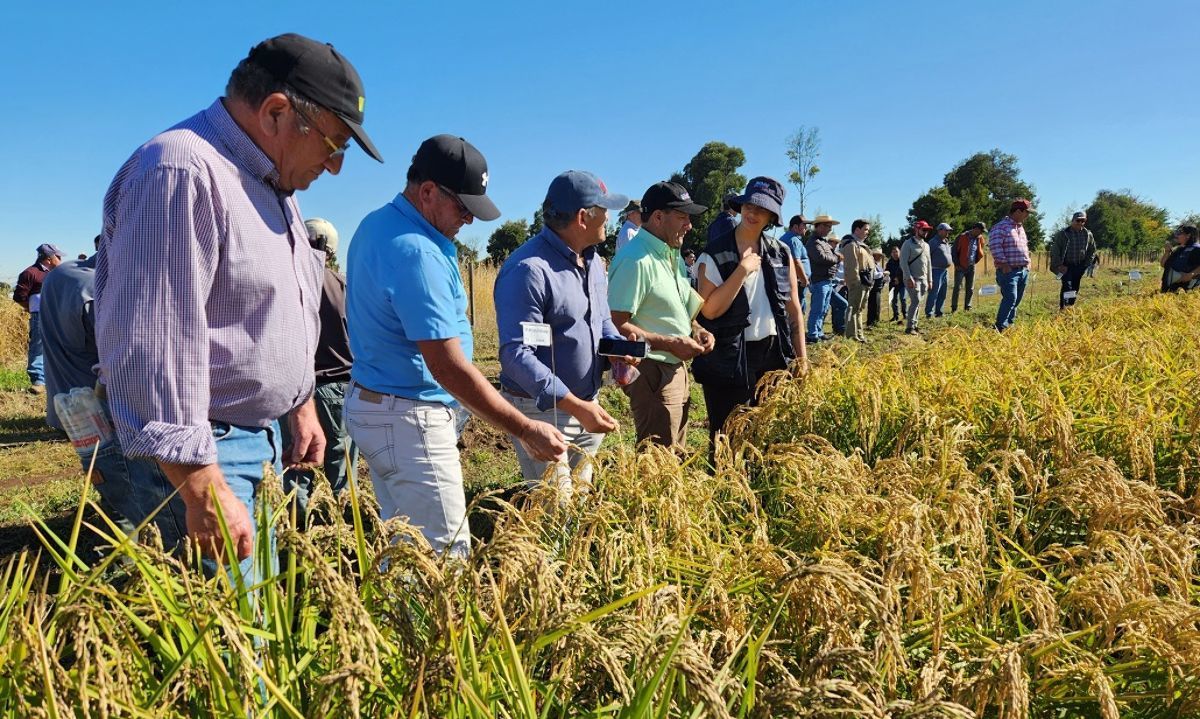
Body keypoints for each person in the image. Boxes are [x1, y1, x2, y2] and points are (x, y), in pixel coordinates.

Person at [95, 33, 383, 567]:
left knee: (257, 628)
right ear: (276, 112)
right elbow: (153, 343)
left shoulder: (273, 189)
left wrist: (299, 408)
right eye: (334, 142)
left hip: (259, 444)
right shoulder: (181, 172)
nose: (336, 164)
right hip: (203, 455)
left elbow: (267, 315)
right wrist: (201, 487)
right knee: (229, 642)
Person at [345, 134, 567, 557]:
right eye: (463, 207)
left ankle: (397, 619)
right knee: (444, 558)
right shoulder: (417, 252)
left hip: (378, 408)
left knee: (406, 548)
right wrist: (523, 429)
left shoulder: (378, 225)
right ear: (427, 191)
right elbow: (447, 368)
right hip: (410, 420)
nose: (468, 220)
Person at [495, 170, 630, 497]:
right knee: (555, 510)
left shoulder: (595, 262)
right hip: (543, 412)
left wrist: (616, 349)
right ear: (584, 217)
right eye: (604, 210)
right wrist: (573, 405)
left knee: (580, 499)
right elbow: (517, 355)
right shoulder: (529, 270)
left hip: (586, 405)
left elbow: (600, 320)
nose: (609, 218)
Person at [38, 237, 149, 533]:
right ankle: (127, 564)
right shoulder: (99, 294)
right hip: (102, 410)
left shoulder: (61, 274)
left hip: (67, 404)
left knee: (104, 479)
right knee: (128, 493)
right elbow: (123, 361)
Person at [692, 177, 806, 446]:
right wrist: (742, 271)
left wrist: (802, 359)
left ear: (772, 217)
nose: (753, 213)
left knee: (767, 433)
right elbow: (709, 311)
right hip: (729, 357)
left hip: (773, 355)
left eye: (762, 209)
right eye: (749, 206)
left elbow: (793, 310)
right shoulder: (713, 254)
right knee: (728, 436)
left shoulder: (781, 252)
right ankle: (726, 487)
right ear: (741, 207)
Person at [608, 181, 714, 448]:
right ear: (657, 217)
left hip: (673, 367)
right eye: (682, 217)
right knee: (657, 461)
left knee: (674, 455)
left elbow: (676, 308)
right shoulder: (636, 260)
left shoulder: (671, 256)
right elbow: (615, 325)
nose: (689, 225)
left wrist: (696, 329)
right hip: (651, 371)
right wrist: (669, 343)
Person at [277, 217, 358, 523]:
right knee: (342, 462)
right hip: (339, 386)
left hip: (297, 391)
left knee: (297, 460)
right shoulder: (343, 285)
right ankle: (339, 527)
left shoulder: (286, 284)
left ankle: (298, 528)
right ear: (331, 251)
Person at [13, 243, 63, 394]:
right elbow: (19, 297)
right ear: (49, 259)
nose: (60, 259)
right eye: (58, 256)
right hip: (40, 315)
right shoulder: (30, 273)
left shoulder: (57, 273)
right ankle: (38, 381)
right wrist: (32, 309)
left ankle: (56, 379)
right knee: (38, 347)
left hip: (57, 314)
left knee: (59, 346)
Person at [990, 199, 1034, 332]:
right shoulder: (1001, 227)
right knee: (1011, 298)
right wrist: (1003, 264)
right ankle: (1000, 326)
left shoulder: (1020, 228)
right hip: (1009, 271)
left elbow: (1024, 247)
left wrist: (1028, 263)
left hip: (1022, 270)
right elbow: (995, 246)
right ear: (1018, 211)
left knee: (1016, 300)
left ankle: (1009, 323)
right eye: (1027, 212)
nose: (1028, 215)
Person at [1049, 211, 1098, 309]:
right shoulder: (1063, 234)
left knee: (1075, 287)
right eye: (1078, 220)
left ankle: (1070, 306)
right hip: (1065, 266)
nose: (1080, 223)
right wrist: (1059, 265)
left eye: (1083, 221)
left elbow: (1092, 250)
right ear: (1072, 221)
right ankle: (1064, 307)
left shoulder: (1088, 234)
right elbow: (1055, 250)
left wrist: (1086, 264)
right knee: (1067, 286)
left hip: (1080, 266)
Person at [804, 215, 841, 343]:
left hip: (827, 280)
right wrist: (836, 259)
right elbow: (822, 258)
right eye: (827, 226)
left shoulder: (823, 241)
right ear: (819, 226)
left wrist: (835, 257)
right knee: (817, 308)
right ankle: (812, 335)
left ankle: (818, 332)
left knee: (824, 309)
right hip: (819, 280)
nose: (829, 230)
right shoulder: (813, 242)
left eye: (830, 227)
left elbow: (831, 255)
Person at [840, 219, 875, 342]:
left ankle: (859, 334)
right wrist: (855, 283)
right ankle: (851, 335)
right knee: (852, 309)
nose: (867, 233)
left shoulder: (860, 244)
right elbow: (851, 267)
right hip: (858, 283)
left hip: (865, 282)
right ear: (857, 229)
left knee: (859, 310)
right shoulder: (851, 245)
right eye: (865, 229)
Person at [900, 220, 933, 335]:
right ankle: (909, 327)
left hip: (924, 279)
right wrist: (909, 277)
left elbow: (929, 263)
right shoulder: (907, 244)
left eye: (927, 230)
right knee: (916, 300)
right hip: (912, 278)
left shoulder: (926, 246)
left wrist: (930, 280)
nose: (926, 232)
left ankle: (915, 325)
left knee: (919, 302)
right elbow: (903, 262)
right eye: (924, 230)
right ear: (917, 229)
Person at [951, 222, 987, 312]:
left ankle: (968, 307)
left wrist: (975, 262)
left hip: (971, 266)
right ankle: (954, 308)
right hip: (960, 267)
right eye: (981, 231)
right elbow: (954, 251)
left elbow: (980, 251)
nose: (981, 233)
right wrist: (957, 264)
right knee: (957, 288)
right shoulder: (962, 236)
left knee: (970, 288)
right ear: (975, 229)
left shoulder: (980, 238)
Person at [778, 215, 811, 312]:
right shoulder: (794, 240)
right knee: (795, 311)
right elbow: (796, 262)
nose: (806, 228)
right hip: (797, 281)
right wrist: (804, 279)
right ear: (795, 227)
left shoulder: (787, 237)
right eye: (804, 225)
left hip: (789, 280)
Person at [925, 222, 954, 318]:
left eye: (949, 231)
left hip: (945, 271)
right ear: (940, 230)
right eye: (946, 231)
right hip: (935, 271)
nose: (948, 233)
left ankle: (939, 312)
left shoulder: (946, 241)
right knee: (934, 293)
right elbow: (927, 257)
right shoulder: (933, 242)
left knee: (943, 293)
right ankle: (929, 313)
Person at [1160, 225, 1200, 292]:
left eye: (1179, 233)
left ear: (1188, 235)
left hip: (1188, 288)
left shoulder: (1197, 249)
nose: (1176, 236)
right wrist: (1167, 252)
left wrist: (1190, 275)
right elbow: (1164, 265)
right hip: (1173, 287)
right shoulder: (1179, 249)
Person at [866, 248, 887, 328]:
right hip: (873, 288)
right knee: (872, 306)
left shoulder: (878, 265)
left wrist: (885, 277)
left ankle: (875, 321)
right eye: (877, 255)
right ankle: (871, 323)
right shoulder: (871, 264)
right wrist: (882, 274)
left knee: (877, 306)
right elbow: (873, 275)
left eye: (880, 256)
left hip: (878, 288)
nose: (879, 257)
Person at [886, 246, 906, 322]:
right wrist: (891, 277)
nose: (895, 254)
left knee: (903, 299)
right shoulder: (889, 263)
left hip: (902, 284)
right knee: (894, 300)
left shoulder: (903, 261)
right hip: (893, 284)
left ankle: (905, 315)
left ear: (899, 253)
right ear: (891, 254)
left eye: (896, 252)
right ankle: (895, 316)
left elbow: (905, 272)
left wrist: (899, 279)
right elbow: (887, 272)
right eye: (893, 252)